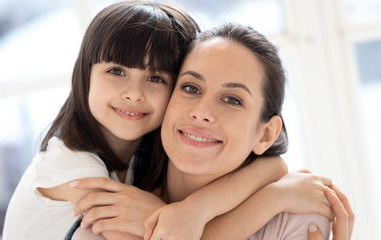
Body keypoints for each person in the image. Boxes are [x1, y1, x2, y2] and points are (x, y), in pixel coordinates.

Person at [2, 1, 289, 239]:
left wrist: (199, 207)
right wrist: (273, 201)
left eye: (155, 78)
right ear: (85, 74)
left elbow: (272, 165)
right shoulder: (71, 166)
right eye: (116, 71)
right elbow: (171, 235)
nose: (133, 94)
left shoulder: (147, 151)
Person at [70, 24, 353, 239]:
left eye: (232, 99)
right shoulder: (111, 207)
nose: (202, 111)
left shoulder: (297, 217)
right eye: (191, 88)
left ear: (265, 135)